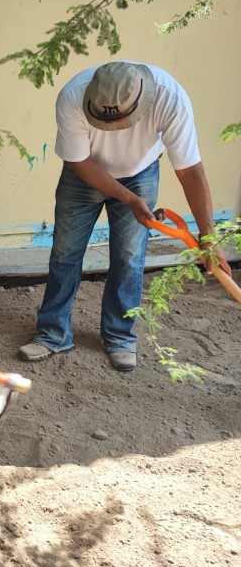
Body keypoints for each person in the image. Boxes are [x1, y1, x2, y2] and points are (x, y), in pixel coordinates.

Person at [18, 61, 230, 373]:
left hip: (140, 172)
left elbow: (189, 171)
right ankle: (54, 334)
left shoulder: (171, 100)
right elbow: (79, 162)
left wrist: (208, 237)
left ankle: (119, 336)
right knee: (66, 252)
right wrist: (128, 199)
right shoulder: (72, 96)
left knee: (129, 256)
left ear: (143, 104)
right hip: (83, 174)